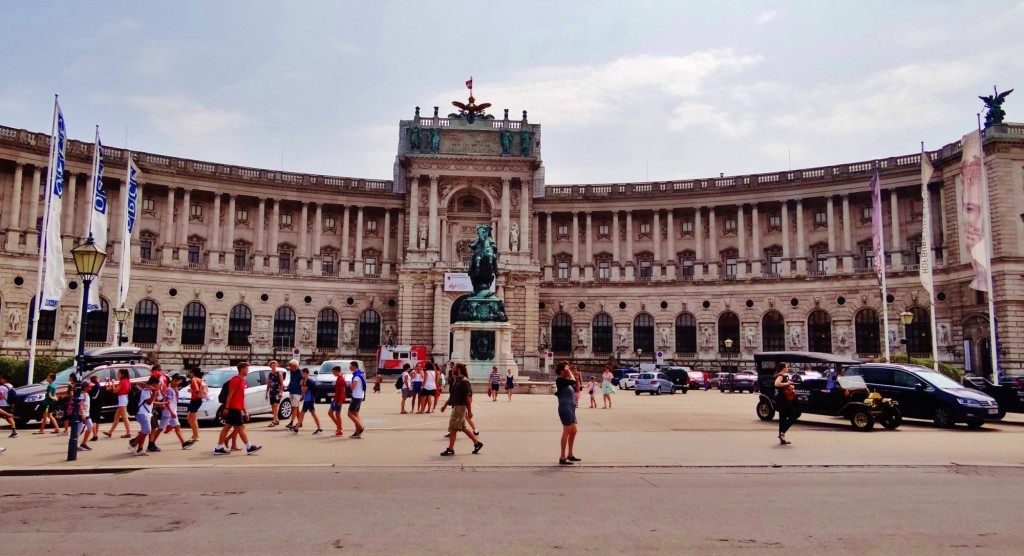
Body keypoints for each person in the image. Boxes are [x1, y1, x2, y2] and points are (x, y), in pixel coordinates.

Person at [214, 363, 262, 455]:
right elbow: (230, 395)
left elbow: (241, 397)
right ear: (242, 369)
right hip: (233, 408)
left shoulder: (242, 381)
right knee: (241, 428)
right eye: (247, 369)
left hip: (237, 408)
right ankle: (249, 447)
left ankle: (218, 448)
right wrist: (227, 408)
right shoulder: (235, 380)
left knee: (227, 428)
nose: (248, 370)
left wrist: (245, 411)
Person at [439, 363, 483, 456]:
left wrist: (470, 411)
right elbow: (452, 395)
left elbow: (467, 397)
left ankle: (450, 449)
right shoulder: (457, 380)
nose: (452, 369)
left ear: (458, 369)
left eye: (454, 368)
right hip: (456, 406)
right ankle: (477, 443)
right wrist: (445, 405)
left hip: (460, 407)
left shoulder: (463, 381)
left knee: (453, 428)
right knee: (462, 427)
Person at [152, 374, 194, 450]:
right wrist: (172, 413)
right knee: (161, 428)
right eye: (175, 381)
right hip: (168, 413)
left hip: (173, 412)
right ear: (172, 380)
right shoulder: (169, 389)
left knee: (177, 427)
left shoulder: (175, 389)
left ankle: (183, 443)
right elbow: (167, 402)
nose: (177, 382)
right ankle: (152, 443)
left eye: (178, 381)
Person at [555, 362, 580, 465]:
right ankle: (562, 457)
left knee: (573, 431)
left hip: (571, 408)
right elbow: (573, 380)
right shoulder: (560, 380)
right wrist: (568, 370)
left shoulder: (567, 382)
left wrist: (575, 377)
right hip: (564, 408)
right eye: (566, 369)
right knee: (567, 430)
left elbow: (577, 387)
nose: (568, 370)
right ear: (562, 371)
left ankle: (570, 454)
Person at [130, 377, 161, 456]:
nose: (159, 386)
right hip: (142, 413)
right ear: (154, 383)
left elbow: (151, 402)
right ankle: (133, 443)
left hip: (146, 413)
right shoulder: (146, 391)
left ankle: (140, 449)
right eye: (158, 384)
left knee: (144, 431)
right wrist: (154, 393)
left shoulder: (149, 390)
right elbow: (149, 402)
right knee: (147, 430)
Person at [103, 369, 133, 438]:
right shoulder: (127, 381)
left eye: (119, 373)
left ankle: (128, 433)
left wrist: (113, 383)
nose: (118, 375)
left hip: (122, 399)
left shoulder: (122, 382)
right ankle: (110, 432)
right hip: (123, 398)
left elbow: (115, 391)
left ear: (122, 374)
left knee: (124, 417)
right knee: (116, 416)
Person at [774, 362, 797, 445]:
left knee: (782, 418)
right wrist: (787, 383)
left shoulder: (784, 375)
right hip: (783, 400)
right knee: (793, 416)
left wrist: (790, 386)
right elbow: (776, 384)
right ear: (783, 367)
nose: (788, 368)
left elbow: (783, 386)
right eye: (787, 366)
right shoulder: (781, 375)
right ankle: (782, 432)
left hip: (782, 399)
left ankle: (782, 438)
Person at [295, 368, 323, 435]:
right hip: (307, 399)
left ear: (305, 373)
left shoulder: (308, 381)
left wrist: (302, 386)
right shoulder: (306, 380)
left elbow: (305, 389)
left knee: (312, 413)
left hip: (309, 399)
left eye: (302, 373)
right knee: (302, 413)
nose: (302, 374)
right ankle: (296, 428)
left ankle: (319, 428)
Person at [347, 362, 366, 438]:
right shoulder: (360, 374)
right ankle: (357, 431)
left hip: (356, 396)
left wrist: (348, 385)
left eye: (351, 366)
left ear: (355, 367)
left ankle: (361, 427)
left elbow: (352, 387)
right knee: (355, 413)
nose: (350, 368)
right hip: (360, 395)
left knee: (350, 413)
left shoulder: (356, 376)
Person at [187, 368, 206, 442]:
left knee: (193, 419)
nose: (190, 374)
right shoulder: (200, 379)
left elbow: (197, 389)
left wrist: (191, 390)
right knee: (189, 418)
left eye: (190, 372)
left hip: (195, 400)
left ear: (193, 373)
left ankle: (196, 436)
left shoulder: (194, 379)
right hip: (198, 400)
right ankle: (194, 434)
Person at [327, 366, 346, 437]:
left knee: (338, 415)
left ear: (338, 371)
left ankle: (340, 430)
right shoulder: (338, 378)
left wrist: (341, 401)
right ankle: (339, 427)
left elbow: (343, 392)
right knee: (330, 413)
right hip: (335, 399)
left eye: (334, 372)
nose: (333, 373)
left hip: (338, 400)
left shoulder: (341, 380)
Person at [284, 359, 303, 431]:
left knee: (294, 407)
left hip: (297, 392)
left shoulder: (300, 373)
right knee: (296, 408)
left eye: (290, 365)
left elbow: (304, 382)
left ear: (295, 366)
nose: (289, 367)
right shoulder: (292, 372)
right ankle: (300, 422)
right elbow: (291, 380)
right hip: (292, 390)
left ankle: (291, 422)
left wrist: (303, 393)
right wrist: (288, 386)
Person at [77, 380, 94, 451]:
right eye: (89, 386)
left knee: (90, 426)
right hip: (82, 414)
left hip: (86, 414)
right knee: (79, 430)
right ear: (85, 387)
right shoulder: (82, 394)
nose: (91, 387)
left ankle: (84, 443)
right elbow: (80, 404)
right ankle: (74, 444)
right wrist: (83, 414)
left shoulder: (86, 394)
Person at [265, 360, 283, 427]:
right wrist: (266, 393)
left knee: (276, 405)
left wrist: (280, 392)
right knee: (272, 406)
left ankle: (274, 421)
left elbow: (281, 384)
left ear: (276, 365)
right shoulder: (270, 374)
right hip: (271, 391)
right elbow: (268, 384)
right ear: (270, 366)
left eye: (274, 365)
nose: (273, 366)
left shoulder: (279, 373)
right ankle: (277, 419)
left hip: (277, 392)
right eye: (272, 365)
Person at [87, 375, 102, 441]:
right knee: (97, 420)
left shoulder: (92, 388)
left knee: (94, 420)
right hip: (99, 404)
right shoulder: (99, 386)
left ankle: (95, 435)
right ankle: (96, 434)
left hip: (92, 405)